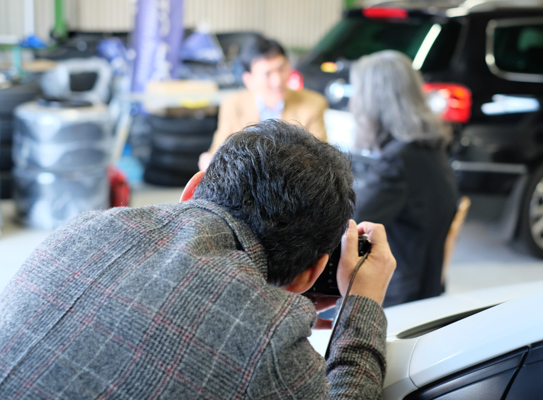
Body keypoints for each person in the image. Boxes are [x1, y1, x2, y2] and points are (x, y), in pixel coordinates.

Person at [0, 120, 396, 399]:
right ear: (311, 272)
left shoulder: (83, 228)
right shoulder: (271, 338)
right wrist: (362, 303)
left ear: (192, 188)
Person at [351, 50, 459, 307]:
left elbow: (349, 226)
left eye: (358, 93)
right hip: (427, 285)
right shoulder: (428, 146)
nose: (353, 101)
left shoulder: (398, 163)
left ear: (374, 101)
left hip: (396, 297)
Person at [198, 37, 328, 171]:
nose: (277, 80)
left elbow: (319, 159)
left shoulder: (314, 104)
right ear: (249, 80)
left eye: (282, 68)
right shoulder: (233, 104)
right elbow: (219, 149)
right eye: (267, 74)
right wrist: (210, 160)